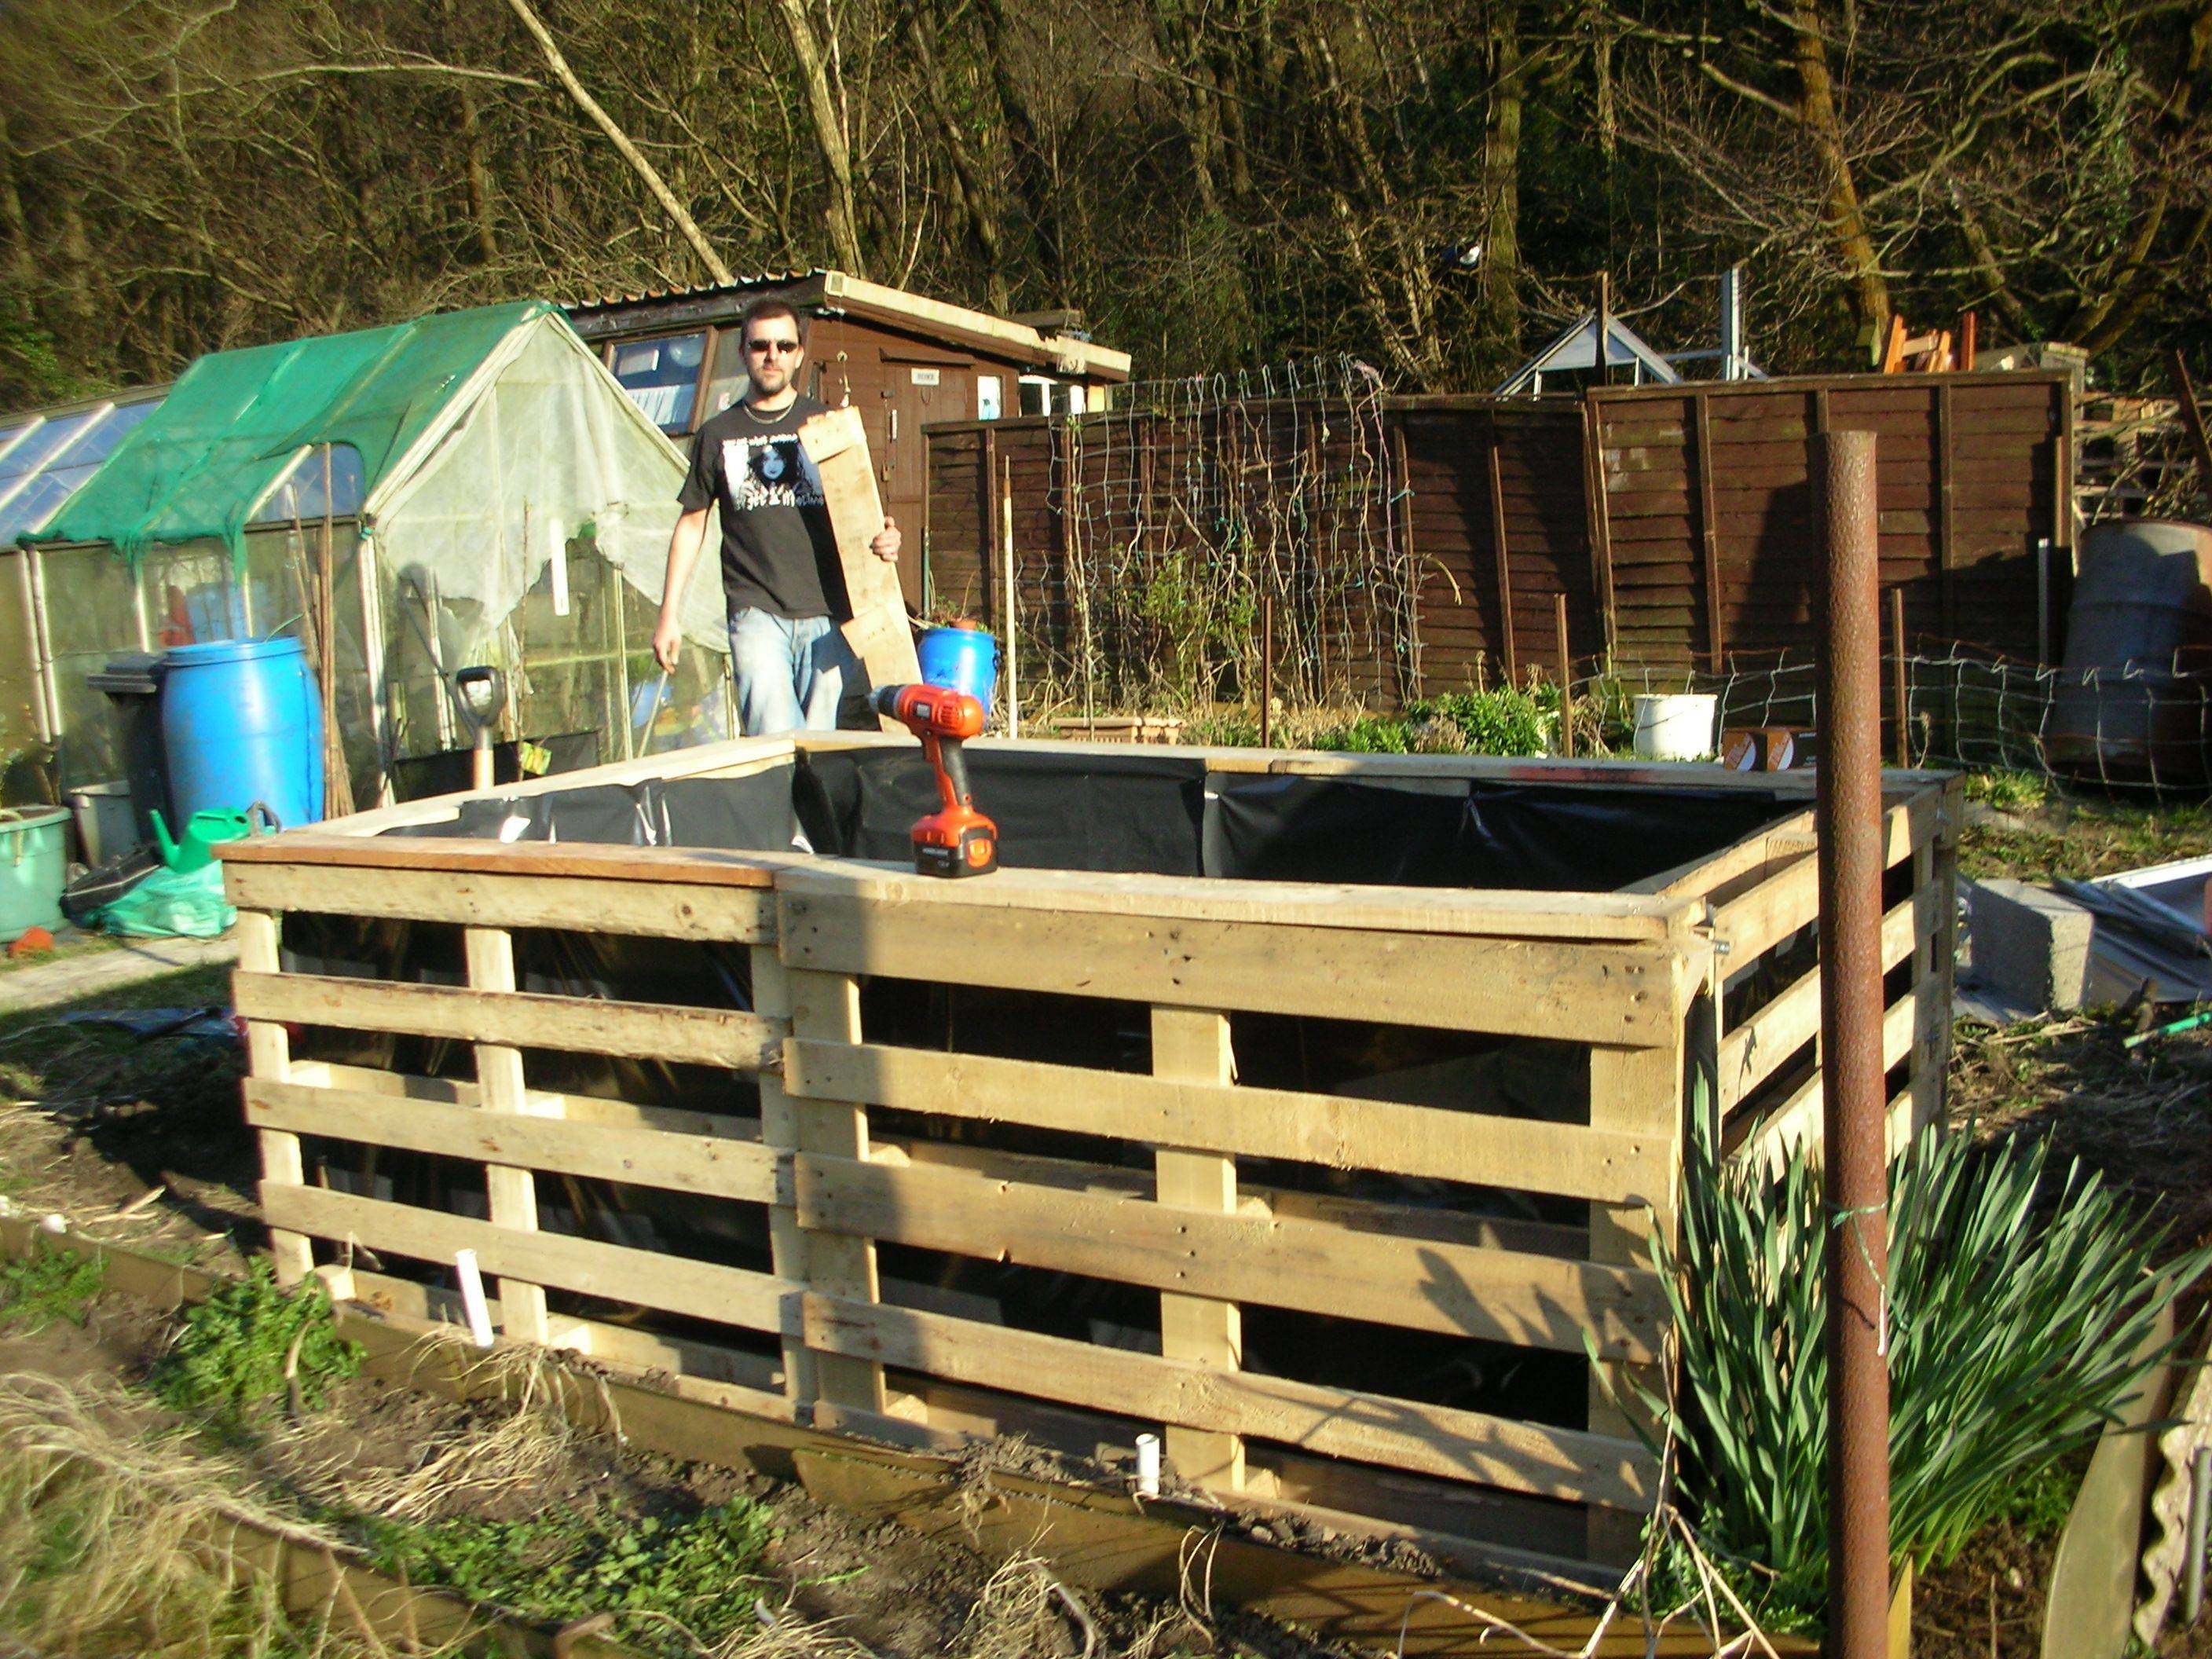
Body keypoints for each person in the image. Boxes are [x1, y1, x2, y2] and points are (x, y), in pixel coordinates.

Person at [650, 298, 899, 734]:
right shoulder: (717, 434)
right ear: (743, 351)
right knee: (774, 740)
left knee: (824, 746)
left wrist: (885, 540)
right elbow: (692, 524)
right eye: (761, 345)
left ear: (799, 353)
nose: (773, 356)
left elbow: (863, 513)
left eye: (784, 346)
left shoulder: (827, 423)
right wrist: (669, 614)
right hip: (755, 610)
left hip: (830, 614)